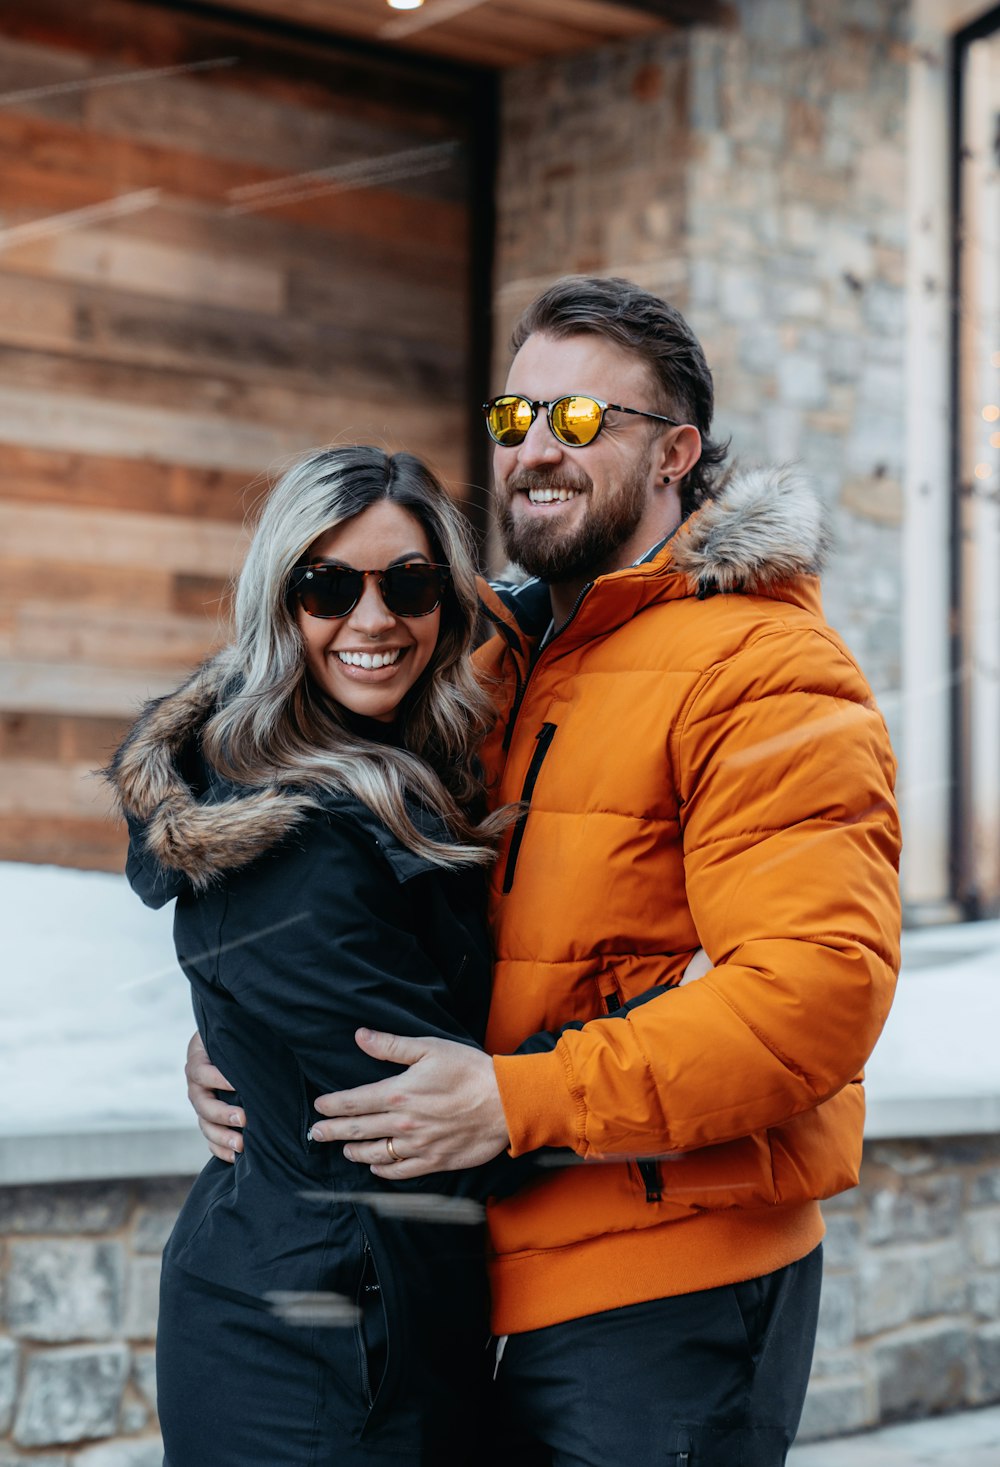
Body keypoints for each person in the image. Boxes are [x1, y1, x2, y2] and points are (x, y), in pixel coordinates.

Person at [188, 277, 902, 1466]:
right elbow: (409, 917)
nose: (534, 450)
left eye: (579, 422)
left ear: (675, 452)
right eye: (515, 418)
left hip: (661, 1295)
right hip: (476, 1286)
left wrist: (518, 1103)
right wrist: (259, 1040)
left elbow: (813, 995)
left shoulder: (766, 670)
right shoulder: (496, 659)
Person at [107, 446, 536, 1466]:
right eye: (328, 586)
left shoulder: (394, 769)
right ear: (279, 604)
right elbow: (416, 1102)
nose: (374, 619)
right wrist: (651, 1037)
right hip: (306, 1341)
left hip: (366, 1307)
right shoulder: (286, 833)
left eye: (410, 583)